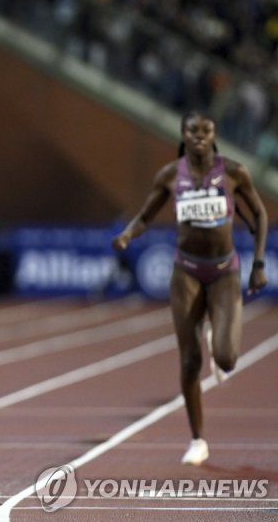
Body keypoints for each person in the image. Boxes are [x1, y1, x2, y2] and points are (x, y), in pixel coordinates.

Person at [112, 111, 268, 466]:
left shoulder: (234, 172)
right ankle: (198, 439)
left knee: (227, 358)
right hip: (186, 271)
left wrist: (258, 265)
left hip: (225, 270)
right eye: (192, 130)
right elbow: (146, 216)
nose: (199, 135)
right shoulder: (170, 176)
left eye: (206, 130)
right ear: (182, 135)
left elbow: (259, 214)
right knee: (189, 359)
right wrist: (127, 235)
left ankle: (217, 338)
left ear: (214, 134)